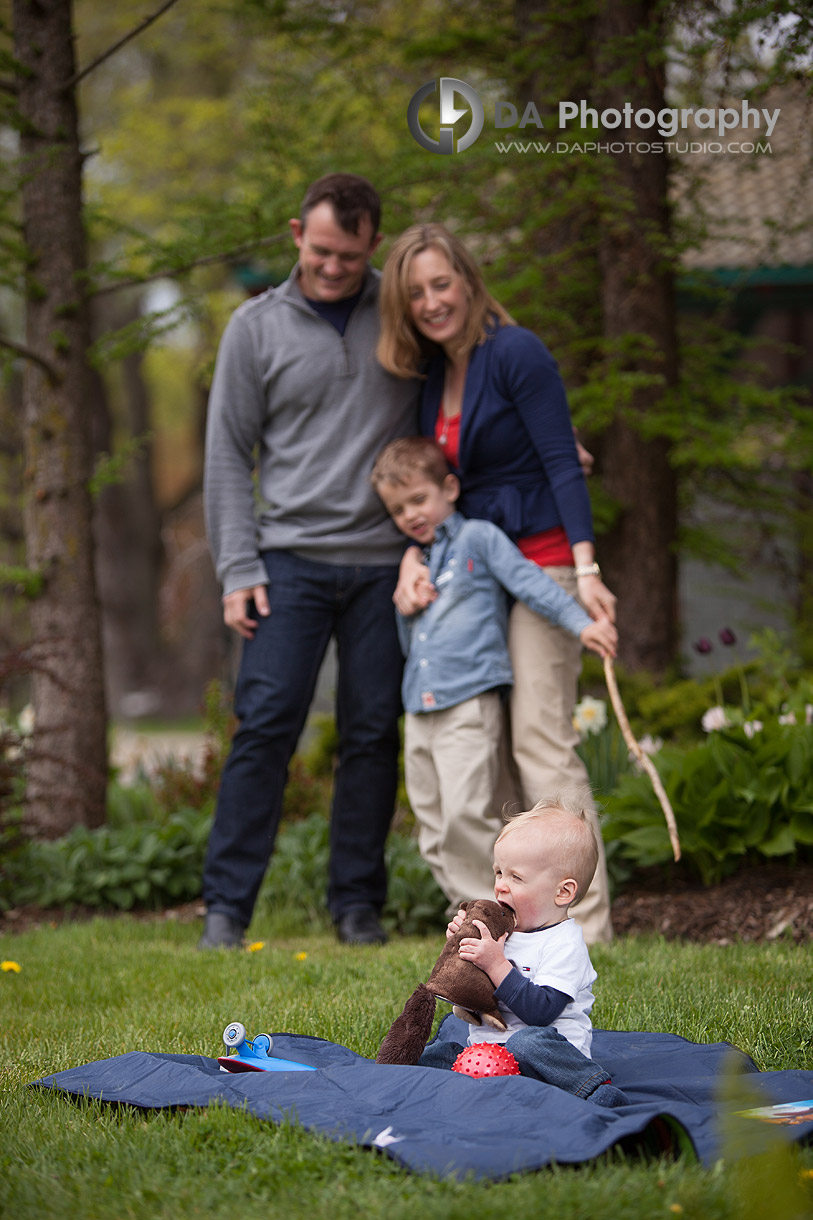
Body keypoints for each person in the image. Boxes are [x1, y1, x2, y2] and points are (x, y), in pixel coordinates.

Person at [377, 224, 617, 944]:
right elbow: (436, 489)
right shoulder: (433, 379)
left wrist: (586, 569)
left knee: (541, 743)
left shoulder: (514, 352)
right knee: (498, 763)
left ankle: (588, 928)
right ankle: (519, 927)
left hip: (541, 562)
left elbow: (559, 461)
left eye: (440, 284)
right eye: (415, 292)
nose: (430, 301)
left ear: (468, 280)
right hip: (477, 573)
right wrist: (410, 558)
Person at [199, 173, 418, 949]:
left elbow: (474, 359)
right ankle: (226, 910)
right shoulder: (253, 328)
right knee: (263, 728)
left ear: (373, 248)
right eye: (321, 250)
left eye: (350, 255)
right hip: (284, 561)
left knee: (370, 731)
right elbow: (227, 451)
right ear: (297, 234)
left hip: (384, 567)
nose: (333, 266)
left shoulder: (399, 310)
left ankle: (355, 906)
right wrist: (237, 568)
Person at [370, 437, 617, 909]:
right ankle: (469, 913)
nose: (411, 515)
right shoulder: (417, 564)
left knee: (467, 812)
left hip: (468, 699)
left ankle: (492, 919)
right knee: (432, 822)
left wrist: (582, 624)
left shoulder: (477, 538)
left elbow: (528, 581)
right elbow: (414, 645)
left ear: (449, 487)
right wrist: (408, 606)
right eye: (398, 510)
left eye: (419, 499)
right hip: (419, 706)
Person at [418, 800, 628, 1107]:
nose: (501, 886)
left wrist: (496, 963)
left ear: (562, 892)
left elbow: (541, 1012)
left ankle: (594, 1089)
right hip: (487, 1056)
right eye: (498, 872)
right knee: (438, 1049)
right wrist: (459, 947)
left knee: (528, 1042)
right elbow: (472, 992)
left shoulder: (564, 943)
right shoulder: (504, 928)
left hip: (544, 1062)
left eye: (516, 877)